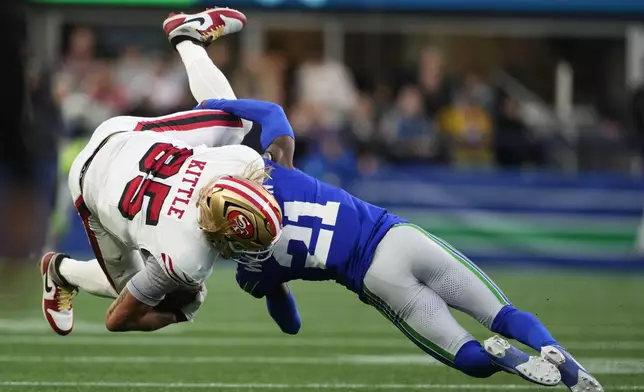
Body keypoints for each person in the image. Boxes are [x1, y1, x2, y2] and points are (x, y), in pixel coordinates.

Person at [196, 94, 605, 392]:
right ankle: (562, 360)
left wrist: (273, 285)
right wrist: (208, 106)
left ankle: (506, 359)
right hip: (399, 237)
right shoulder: (273, 168)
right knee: (501, 313)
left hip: (377, 279)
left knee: (466, 356)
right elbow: (272, 112)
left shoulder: (254, 267)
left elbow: (291, 325)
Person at [39, 8, 290, 334]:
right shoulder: (187, 260)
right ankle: (62, 271)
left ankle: (187, 38)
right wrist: (181, 313)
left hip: (123, 136)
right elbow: (116, 320)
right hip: (89, 184)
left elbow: (277, 138)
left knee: (234, 121)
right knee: (136, 293)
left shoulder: (238, 162)